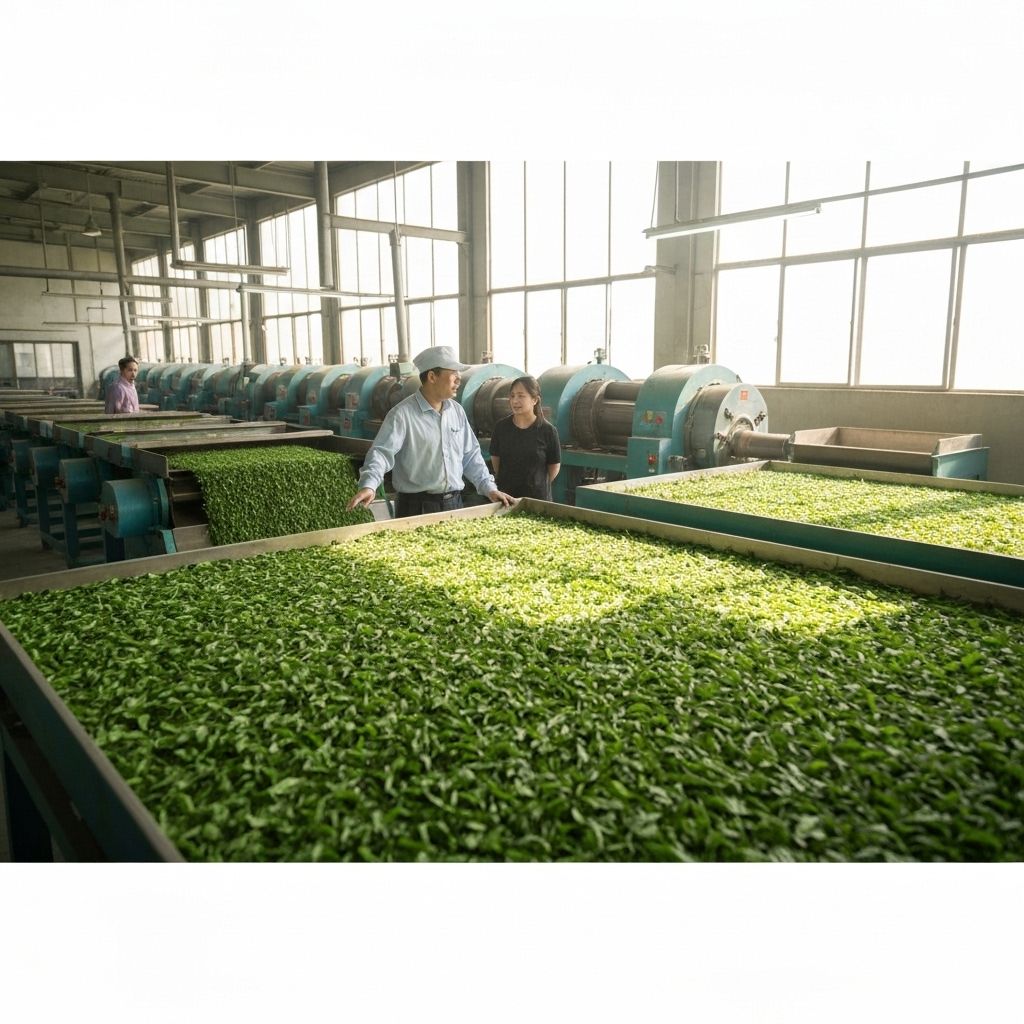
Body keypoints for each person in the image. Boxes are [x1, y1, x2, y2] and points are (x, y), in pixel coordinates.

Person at [346, 345, 514, 517]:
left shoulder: (456, 411)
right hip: (416, 507)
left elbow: (470, 455)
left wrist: (489, 488)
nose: (458, 380)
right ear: (432, 376)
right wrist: (369, 485)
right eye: (453, 374)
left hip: (454, 504)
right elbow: (381, 453)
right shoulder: (402, 415)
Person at [488, 375, 561, 500]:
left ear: (535, 400)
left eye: (521, 396)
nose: (515, 401)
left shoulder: (548, 431)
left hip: (538, 499)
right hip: (507, 498)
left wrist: (536, 484)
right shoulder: (501, 428)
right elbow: (496, 463)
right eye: (512, 396)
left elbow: (554, 467)